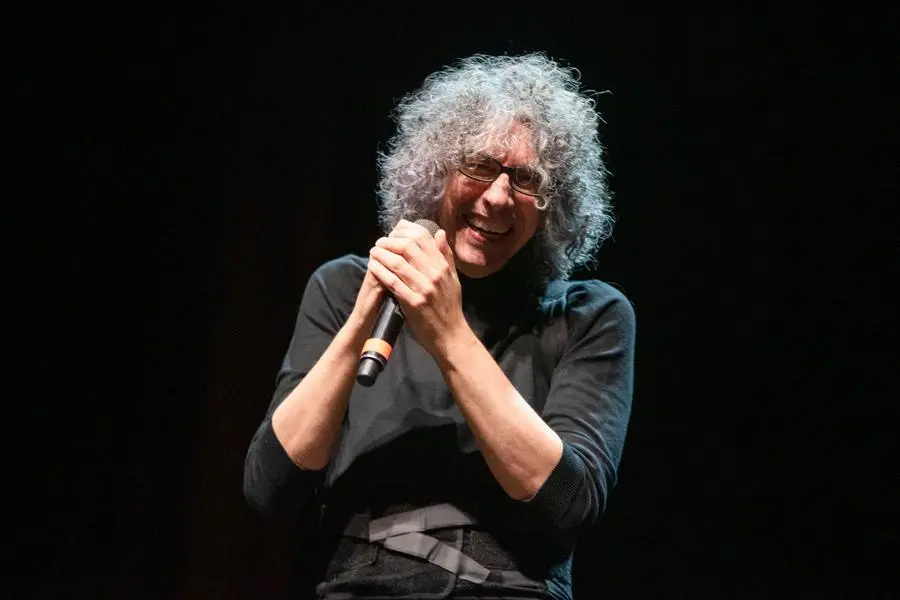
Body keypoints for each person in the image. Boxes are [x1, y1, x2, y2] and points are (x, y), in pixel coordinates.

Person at [243, 52, 636, 599]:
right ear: (435, 171)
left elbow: (569, 503)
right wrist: (363, 318)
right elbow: (271, 489)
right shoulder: (344, 288)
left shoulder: (588, 315)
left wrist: (449, 332)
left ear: (554, 206)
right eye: (479, 165)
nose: (498, 197)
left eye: (526, 180)